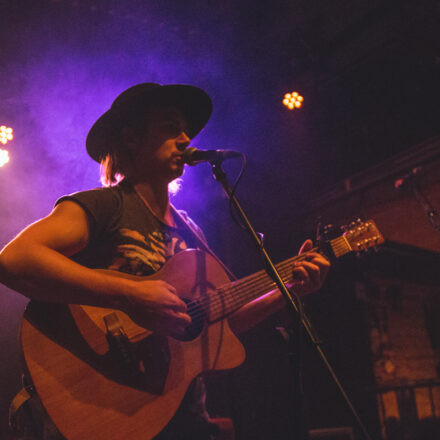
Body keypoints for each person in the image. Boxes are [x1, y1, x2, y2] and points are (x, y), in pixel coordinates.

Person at [0, 83, 330, 439]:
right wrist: (129, 294)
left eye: (186, 130)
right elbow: (15, 259)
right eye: (171, 128)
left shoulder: (191, 230)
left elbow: (223, 320)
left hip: (177, 416)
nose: (187, 139)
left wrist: (289, 289)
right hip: (103, 405)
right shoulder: (104, 206)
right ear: (131, 139)